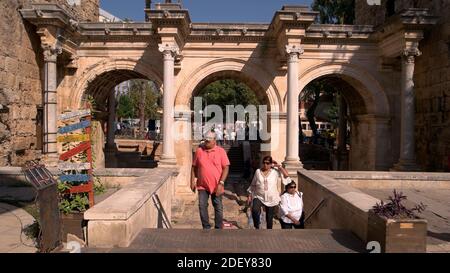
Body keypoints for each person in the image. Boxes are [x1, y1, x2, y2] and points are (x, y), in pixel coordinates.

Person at [191, 131, 230, 229]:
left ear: (214, 140)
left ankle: (218, 227)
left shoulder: (221, 151)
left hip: (217, 184)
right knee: (202, 205)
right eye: (206, 141)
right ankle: (206, 227)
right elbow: (193, 166)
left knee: (218, 206)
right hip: (202, 184)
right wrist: (192, 180)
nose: (206, 143)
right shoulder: (199, 151)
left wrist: (221, 183)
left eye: (209, 141)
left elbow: (226, 167)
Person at [247, 156, 291, 229]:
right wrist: (249, 195)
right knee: (255, 210)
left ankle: (269, 232)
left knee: (269, 218)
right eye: (264, 163)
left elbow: (286, 175)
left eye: (267, 163)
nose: (265, 165)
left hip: (271, 198)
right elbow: (253, 184)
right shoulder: (258, 171)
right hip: (259, 196)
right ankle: (256, 226)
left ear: (271, 164)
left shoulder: (275, 172)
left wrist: (279, 166)